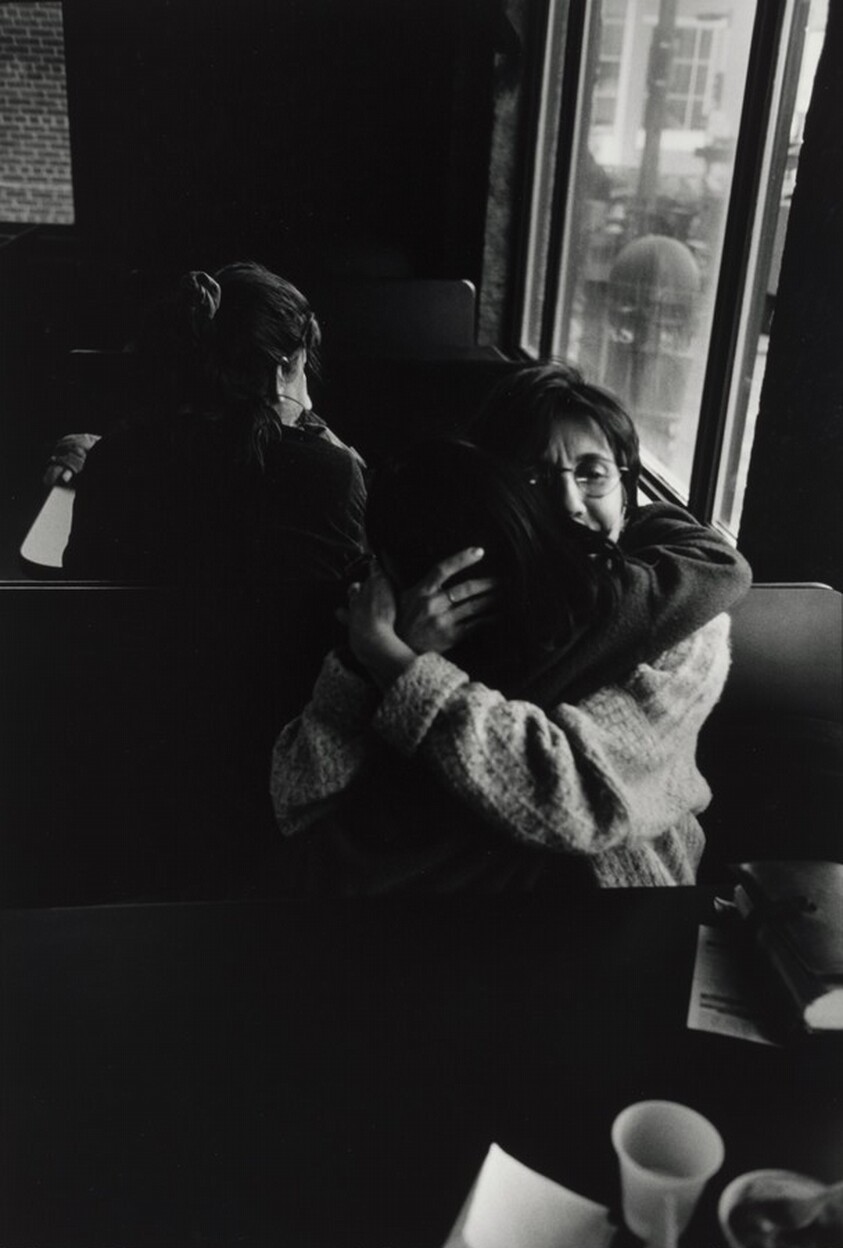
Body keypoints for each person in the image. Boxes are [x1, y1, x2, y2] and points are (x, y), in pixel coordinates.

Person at [269, 436, 736, 894]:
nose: (569, 503)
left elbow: (573, 799)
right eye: (537, 478)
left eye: (593, 474)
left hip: (612, 905)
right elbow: (301, 801)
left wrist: (397, 665)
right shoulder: (402, 612)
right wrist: (362, 661)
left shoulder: (665, 624)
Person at [61, 262, 365, 585]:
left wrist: (103, 452)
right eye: (302, 368)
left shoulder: (114, 459)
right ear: (280, 372)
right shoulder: (332, 474)